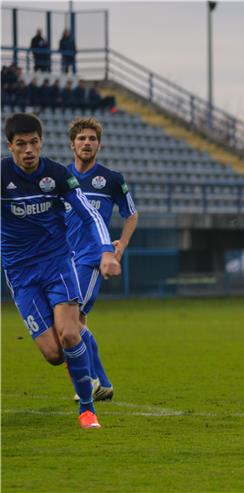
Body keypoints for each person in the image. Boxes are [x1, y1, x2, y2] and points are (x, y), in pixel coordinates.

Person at [1, 113, 121, 428]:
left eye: (34, 143)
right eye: (21, 144)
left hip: (58, 265)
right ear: (10, 146)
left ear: (41, 142)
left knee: (70, 332)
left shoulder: (55, 175)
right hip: (21, 274)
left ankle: (87, 409)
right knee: (54, 353)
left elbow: (89, 214)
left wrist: (107, 250)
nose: (28, 150)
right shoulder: (1, 175)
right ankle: (82, 364)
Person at [65, 117, 139, 401]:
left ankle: (92, 381)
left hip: (91, 258)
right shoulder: (62, 178)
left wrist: (118, 248)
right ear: (72, 144)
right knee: (72, 323)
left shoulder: (111, 179)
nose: (87, 143)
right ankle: (101, 382)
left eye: (92, 139)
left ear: (99, 144)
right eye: (82, 138)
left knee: (72, 320)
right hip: (63, 260)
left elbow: (131, 214)